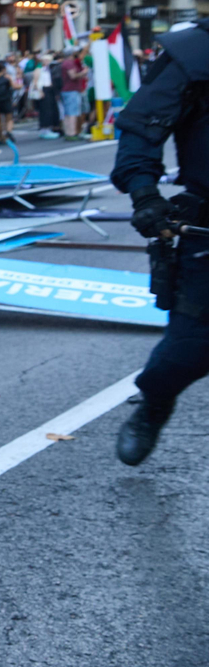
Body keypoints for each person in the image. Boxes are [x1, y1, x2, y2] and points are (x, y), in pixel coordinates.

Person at [108, 24, 209, 464]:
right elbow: (139, 130)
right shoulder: (195, 51)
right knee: (186, 351)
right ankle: (155, 402)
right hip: (207, 228)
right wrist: (145, 194)